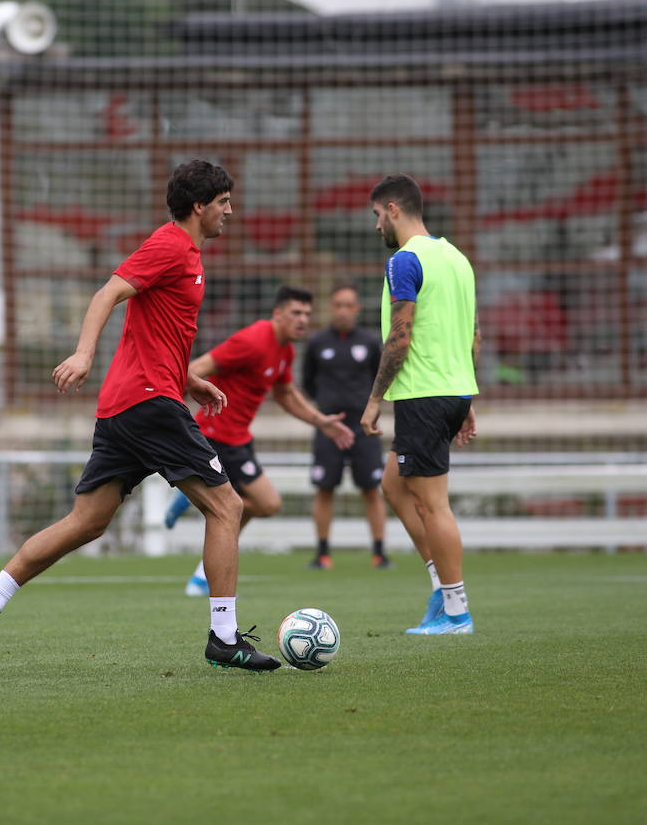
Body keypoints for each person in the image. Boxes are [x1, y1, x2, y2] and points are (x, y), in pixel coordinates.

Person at [0, 160, 279, 671]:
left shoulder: (187, 253)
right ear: (199, 206)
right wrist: (84, 355)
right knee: (227, 508)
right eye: (223, 202)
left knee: (87, 522)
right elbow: (108, 292)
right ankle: (223, 638)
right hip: (149, 404)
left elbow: (155, 331)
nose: (230, 212)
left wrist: (188, 380)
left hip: (132, 403)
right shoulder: (171, 244)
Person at [163, 286, 355, 595]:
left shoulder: (285, 349)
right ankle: (201, 575)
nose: (303, 319)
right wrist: (170, 409)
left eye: (307, 313)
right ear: (278, 314)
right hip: (214, 436)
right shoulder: (252, 340)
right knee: (260, 504)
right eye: (296, 312)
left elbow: (286, 395)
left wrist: (321, 422)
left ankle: (200, 565)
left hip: (238, 440)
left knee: (256, 506)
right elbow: (196, 368)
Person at [359, 174, 480, 635]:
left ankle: (456, 612)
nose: (376, 227)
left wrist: (374, 401)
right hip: (449, 391)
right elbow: (471, 335)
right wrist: (465, 398)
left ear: (392, 208)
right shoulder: (457, 259)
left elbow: (400, 336)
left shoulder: (403, 261)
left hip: (423, 395)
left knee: (434, 506)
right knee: (392, 484)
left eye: (375, 215)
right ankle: (440, 586)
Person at [301, 283, 389, 570]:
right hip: (329, 425)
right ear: (331, 307)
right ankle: (322, 553)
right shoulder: (317, 343)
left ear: (357, 309)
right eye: (337, 305)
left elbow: (380, 378)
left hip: (363, 425)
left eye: (348, 305)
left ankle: (379, 552)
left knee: (371, 488)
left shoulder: (370, 342)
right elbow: (308, 383)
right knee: (325, 487)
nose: (342, 311)